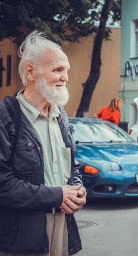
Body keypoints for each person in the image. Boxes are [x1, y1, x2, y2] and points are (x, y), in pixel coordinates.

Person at [0, 31, 87, 256]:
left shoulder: (61, 117)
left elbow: (72, 166)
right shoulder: (6, 117)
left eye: (66, 70)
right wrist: (57, 195)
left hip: (63, 225)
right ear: (30, 71)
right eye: (58, 70)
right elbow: (2, 184)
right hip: (22, 234)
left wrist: (77, 191)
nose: (66, 77)